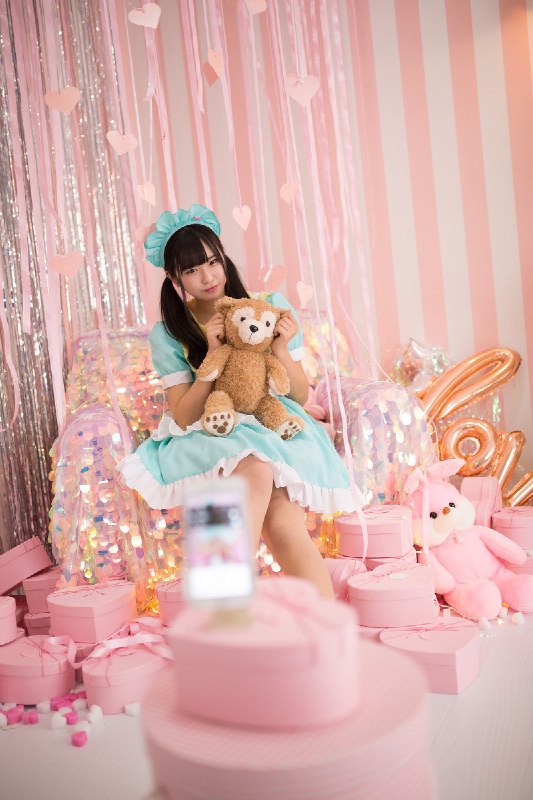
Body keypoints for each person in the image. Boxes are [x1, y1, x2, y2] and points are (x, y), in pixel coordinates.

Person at [118, 204, 357, 597]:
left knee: (283, 521)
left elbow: (298, 394)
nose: (208, 276)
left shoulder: (268, 304)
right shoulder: (171, 331)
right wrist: (211, 357)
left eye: (213, 261)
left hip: (270, 420)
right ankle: (225, 600)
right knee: (255, 469)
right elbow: (183, 416)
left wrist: (280, 349)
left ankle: (321, 620)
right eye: (192, 270)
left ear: (223, 257)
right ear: (174, 277)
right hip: (213, 428)